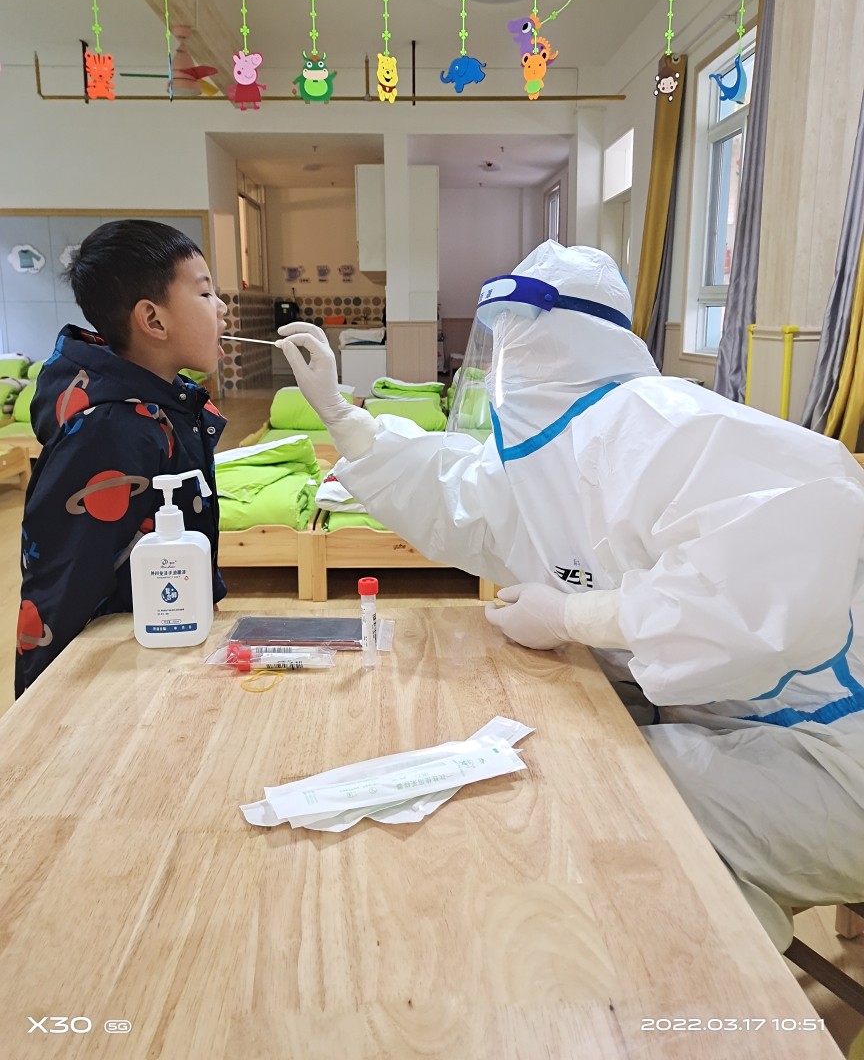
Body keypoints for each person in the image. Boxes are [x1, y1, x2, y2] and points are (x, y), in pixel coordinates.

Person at [277, 239, 864, 952]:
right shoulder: (551, 447)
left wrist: (572, 614)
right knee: (555, 767)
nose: (499, 364)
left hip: (837, 750)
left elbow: (759, 588)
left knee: (606, 805)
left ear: (554, 340)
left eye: (510, 341)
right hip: (742, 721)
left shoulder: (672, 427)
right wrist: (345, 419)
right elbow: (461, 501)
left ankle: (720, 995)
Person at [15, 219, 228, 697]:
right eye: (205, 293)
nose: (222, 308)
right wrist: (45, 703)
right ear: (153, 320)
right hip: (120, 674)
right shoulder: (112, 428)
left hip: (164, 649)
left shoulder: (170, 405)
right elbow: (64, 583)